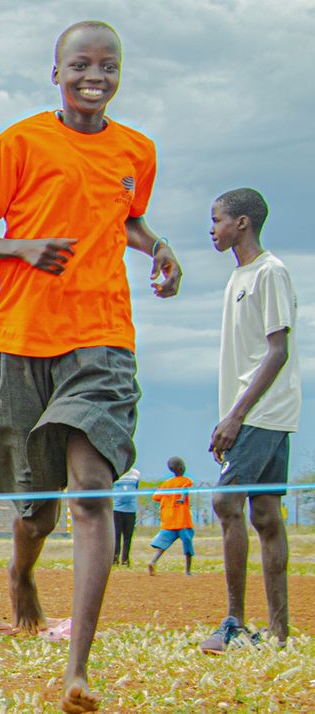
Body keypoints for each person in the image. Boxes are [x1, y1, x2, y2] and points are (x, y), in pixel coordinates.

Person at [0, 21, 179, 712]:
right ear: (56, 71)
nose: (96, 75)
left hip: (103, 339)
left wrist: (159, 247)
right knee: (38, 505)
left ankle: (77, 668)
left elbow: (127, 219)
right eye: (81, 64)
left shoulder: (136, 150)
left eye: (108, 65)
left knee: (92, 492)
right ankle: (22, 577)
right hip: (23, 340)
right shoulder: (20, 142)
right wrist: (21, 248)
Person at [202, 187, 296, 653]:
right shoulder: (237, 277)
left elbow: (278, 351)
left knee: (224, 502)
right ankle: (279, 632)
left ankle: (234, 622)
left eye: (217, 219)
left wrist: (236, 417)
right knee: (264, 514)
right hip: (252, 412)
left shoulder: (270, 272)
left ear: (242, 223)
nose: (212, 228)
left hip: (261, 412)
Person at [146, 458, 195, 576]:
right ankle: (188, 571)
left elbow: (156, 497)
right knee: (187, 544)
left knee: (162, 546)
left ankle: (153, 561)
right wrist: (182, 499)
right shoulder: (186, 480)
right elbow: (185, 490)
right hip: (182, 519)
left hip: (168, 520)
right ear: (182, 468)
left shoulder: (166, 483)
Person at [111, 469, 141, 566]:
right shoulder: (115, 471)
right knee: (117, 535)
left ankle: (125, 559)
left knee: (127, 536)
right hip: (117, 509)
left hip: (130, 510)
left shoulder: (136, 474)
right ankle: (116, 558)